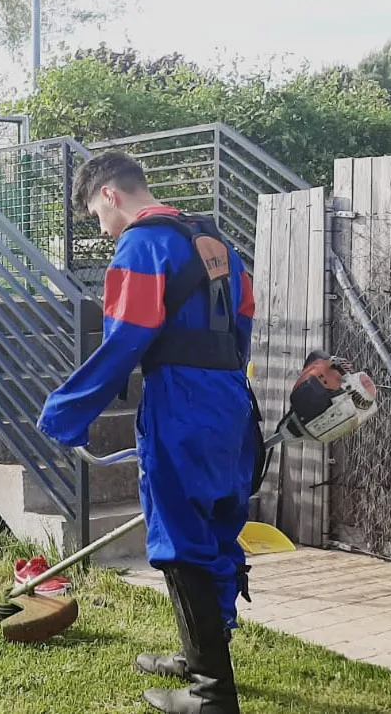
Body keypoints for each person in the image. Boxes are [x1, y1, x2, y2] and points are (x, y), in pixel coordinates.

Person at [38, 152, 258, 714]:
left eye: (97, 215)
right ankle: (200, 655)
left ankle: (211, 694)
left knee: (180, 540)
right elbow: (244, 319)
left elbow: (126, 338)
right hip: (231, 400)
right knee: (216, 529)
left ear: (110, 194)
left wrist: (65, 413)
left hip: (180, 403)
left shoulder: (141, 245)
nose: (102, 229)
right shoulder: (216, 242)